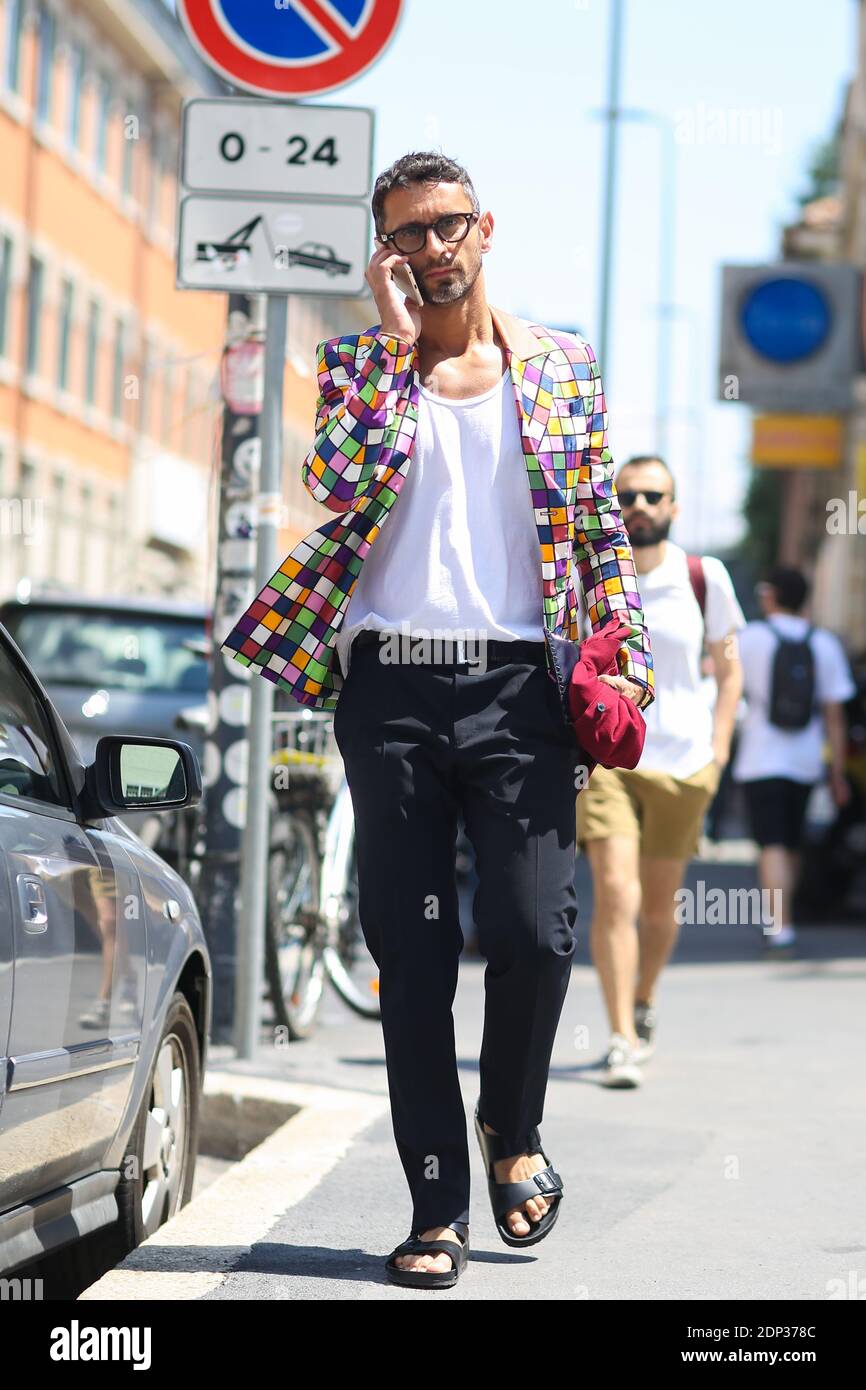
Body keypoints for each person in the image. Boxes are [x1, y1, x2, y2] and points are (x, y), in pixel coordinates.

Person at [220, 150, 654, 1287]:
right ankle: (432, 1210)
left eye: (446, 225)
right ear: (386, 251)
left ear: (485, 228)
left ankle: (510, 1132)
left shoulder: (560, 366)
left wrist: (628, 663)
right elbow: (339, 486)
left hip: (520, 688)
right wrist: (393, 340)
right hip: (392, 691)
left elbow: (598, 530)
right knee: (411, 956)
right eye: (406, 234)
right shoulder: (362, 363)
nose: (429, 249)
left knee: (530, 932)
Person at [575, 455, 745, 1087]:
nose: (639, 505)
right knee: (616, 893)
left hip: (683, 761)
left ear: (672, 506)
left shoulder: (705, 577)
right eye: (627, 495)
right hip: (609, 759)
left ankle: (644, 999)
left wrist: (719, 750)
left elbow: (729, 669)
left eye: (654, 495)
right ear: (611, 505)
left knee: (658, 907)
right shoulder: (589, 576)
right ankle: (620, 1035)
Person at [731, 566, 855, 953]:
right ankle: (785, 915)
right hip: (806, 760)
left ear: (770, 595)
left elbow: (723, 685)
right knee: (794, 841)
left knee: (772, 842)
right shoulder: (826, 644)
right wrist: (836, 772)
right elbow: (836, 714)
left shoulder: (748, 638)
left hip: (759, 757)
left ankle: (778, 924)